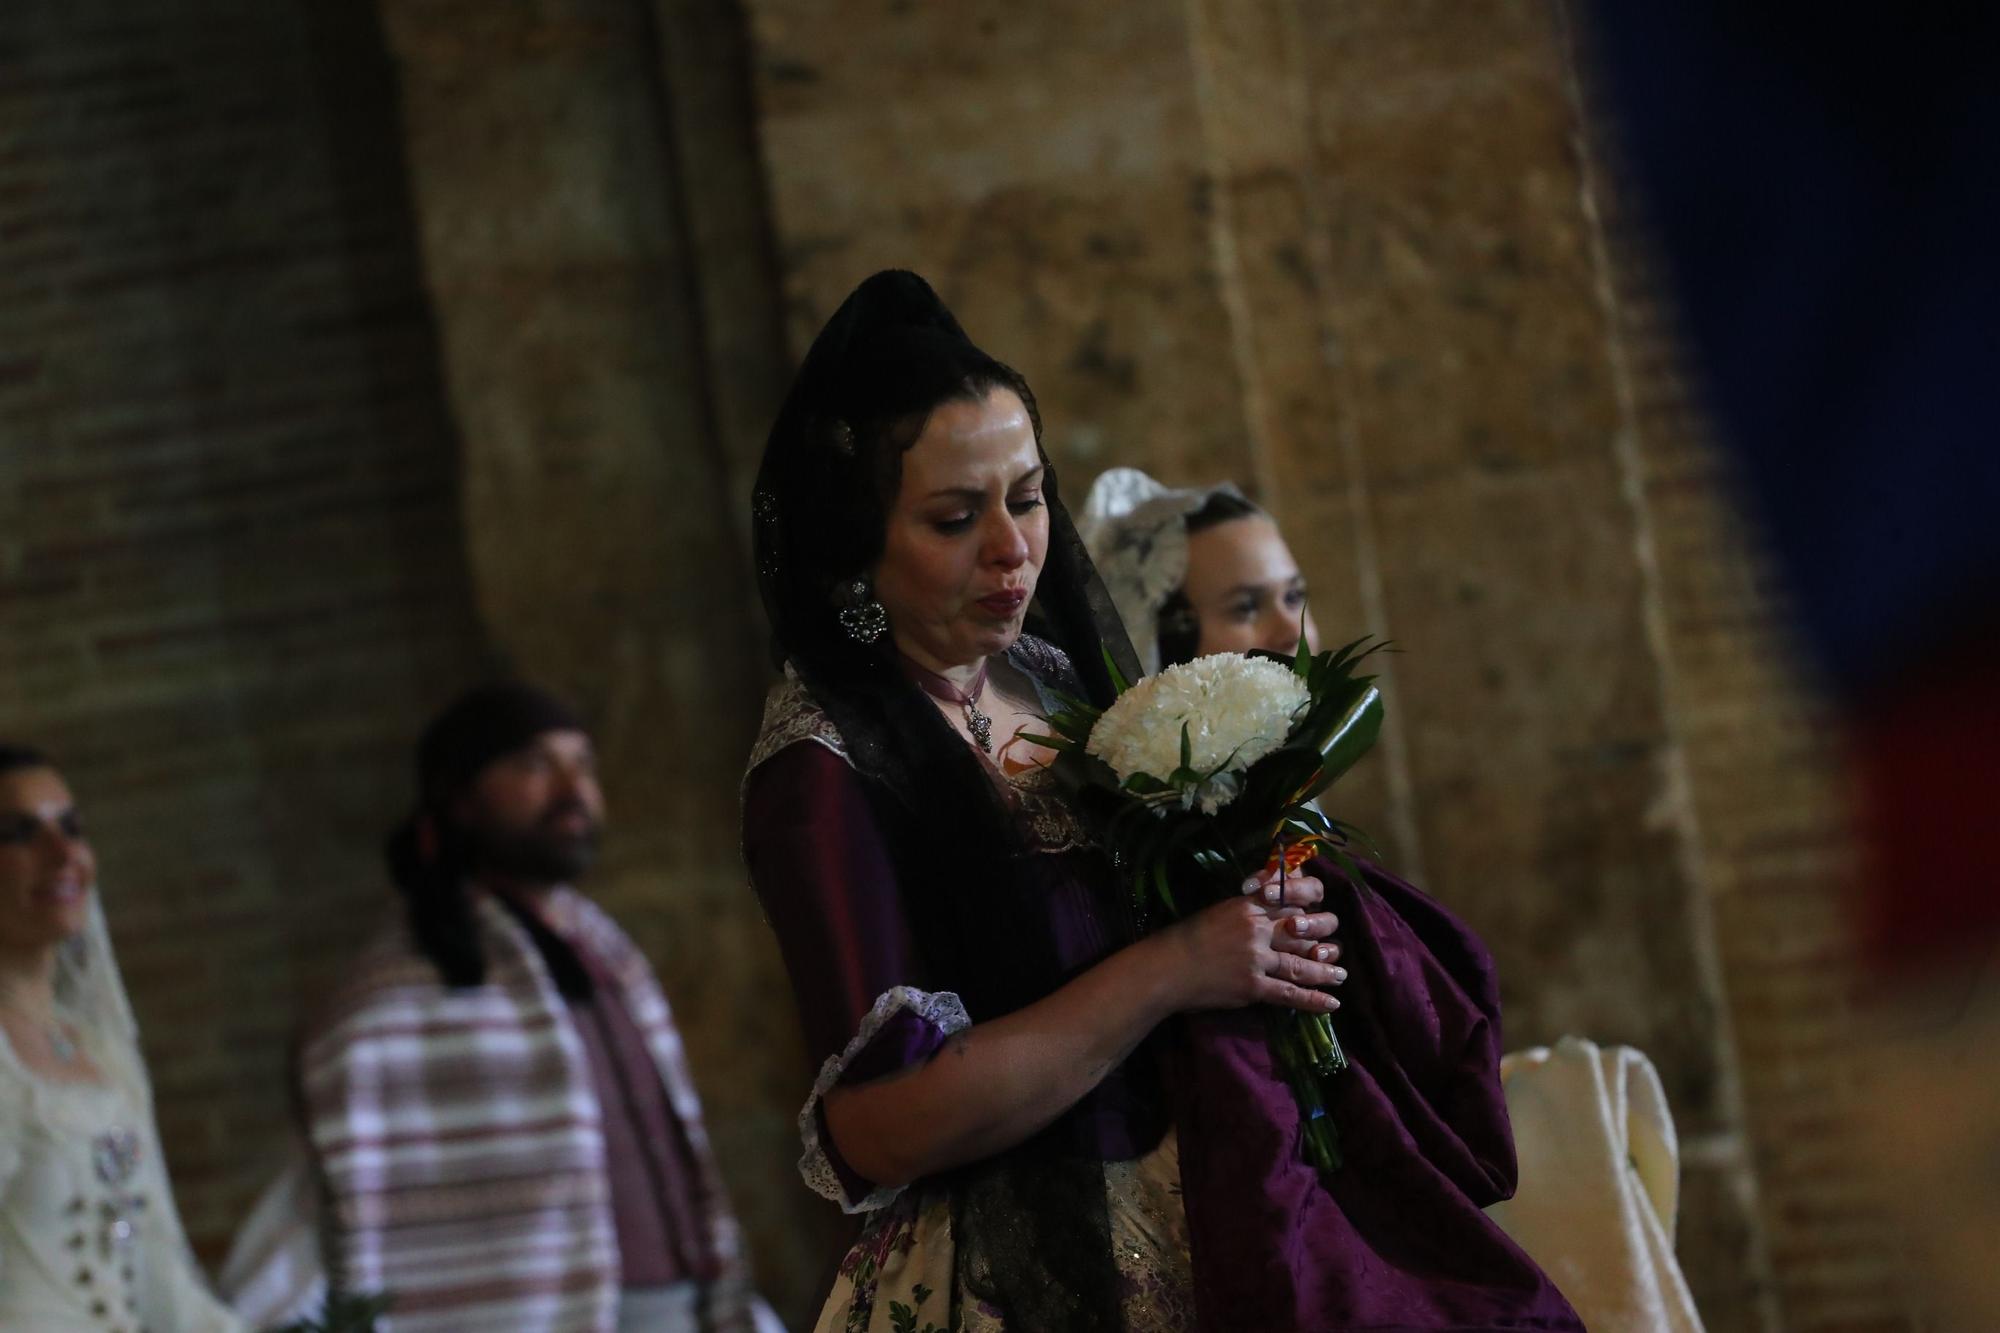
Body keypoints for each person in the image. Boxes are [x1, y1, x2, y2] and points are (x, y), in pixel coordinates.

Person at [741, 270, 1579, 1332]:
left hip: (1228, 1197)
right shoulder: (820, 773)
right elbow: (878, 1124)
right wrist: (1174, 968)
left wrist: (1266, 914)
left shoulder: (1050, 676)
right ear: (855, 548)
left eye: (1028, 497)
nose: (1011, 549)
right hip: (1022, 1277)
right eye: (955, 518)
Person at [1083, 467, 1708, 1332]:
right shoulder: (1175, 882)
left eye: (1295, 595)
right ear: (1167, 647)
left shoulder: (1297, 831)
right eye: (1244, 606)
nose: (1287, 632)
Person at [292, 684, 774, 1333]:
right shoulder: (409, 985)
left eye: (584, 763)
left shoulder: (603, 947)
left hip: (685, 1301)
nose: (573, 787)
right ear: (459, 799)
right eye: (535, 764)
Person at [0, 743, 247, 1332]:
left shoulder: (102, 1050)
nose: (62, 854)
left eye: (72, 827)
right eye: (19, 832)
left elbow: (160, 1274)